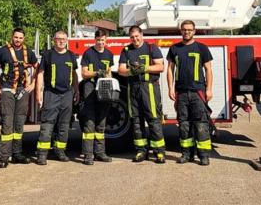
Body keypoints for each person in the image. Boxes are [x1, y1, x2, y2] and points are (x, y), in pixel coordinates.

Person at [167, 20, 214, 165]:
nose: (186, 32)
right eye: (184, 29)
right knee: (184, 125)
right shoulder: (174, 48)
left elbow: (208, 69)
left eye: (189, 30)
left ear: (194, 31)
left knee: (201, 125)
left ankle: (204, 155)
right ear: (180, 31)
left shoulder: (202, 48)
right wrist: (170, 88)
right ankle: (186, 154)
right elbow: (170, 69)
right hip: (181, 93)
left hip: (197, 92)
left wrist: (209, 89)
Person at [0, 28, 38, 167]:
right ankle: (4, 157)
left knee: (19, 123)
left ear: (24, 39)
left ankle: (17, 154)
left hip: (22, 90)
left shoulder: (28, 52)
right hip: (7, 90)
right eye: (16, 37)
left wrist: (33, 84)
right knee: (7, 124)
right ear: (12, 37)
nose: (18, 40)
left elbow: (37, 66)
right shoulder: (2, 51)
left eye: (21, 38)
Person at [118, 26, 166, 163]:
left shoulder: (152, 48)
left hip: (149, 87)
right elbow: (121, 70)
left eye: (137, 36)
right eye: (132, 37)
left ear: (142, 35)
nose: (135, 39)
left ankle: (159, 152)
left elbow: (160, 67)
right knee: (136, 120)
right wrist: (132, 71)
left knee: (153, 119)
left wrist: (144, 68)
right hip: (133, 88)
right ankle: (141, 151)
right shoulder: (126, 50)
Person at [35, 31, 79, 165]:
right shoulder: (48, 55)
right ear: (54, 40)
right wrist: (38, 93)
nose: (61, 41)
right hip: (51, 94)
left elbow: (74, 74)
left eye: (64, 39)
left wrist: (76, 90)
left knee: (64, 125)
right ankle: (42, 154)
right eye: (59, 39)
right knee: (47, 124)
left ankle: (60, 151)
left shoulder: (71, 55)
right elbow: (40, 74)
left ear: (67, 41)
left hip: (67, 94)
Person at [79, 29, 115, 165]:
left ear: (106, 40)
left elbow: (110, 73)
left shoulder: (109, 54)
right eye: (98, 40)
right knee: (89, 124)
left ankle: (100, 153)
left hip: (104, 90)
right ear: (95, 40)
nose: (100, 42)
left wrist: (111, 85)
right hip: (90, 90)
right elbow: (84, 73)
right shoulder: (88, 53)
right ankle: (88, 155)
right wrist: (96, 73)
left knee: (101, 124)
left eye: (103, 40)